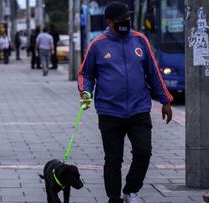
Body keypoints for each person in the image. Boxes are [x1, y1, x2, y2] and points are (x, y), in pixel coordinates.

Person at [78, 2, 173, 203]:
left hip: (139, 110)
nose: (126, 23)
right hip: (109, 112)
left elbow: (153, 73)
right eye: (121, 21)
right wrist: (86, 92)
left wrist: (165, 100)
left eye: (127, 19)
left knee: (143, 152)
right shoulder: (98, 45)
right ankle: (114, 198)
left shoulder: (140, 41)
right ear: (109, 22)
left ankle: (131, 190)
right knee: (113, 159)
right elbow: (86, 74)